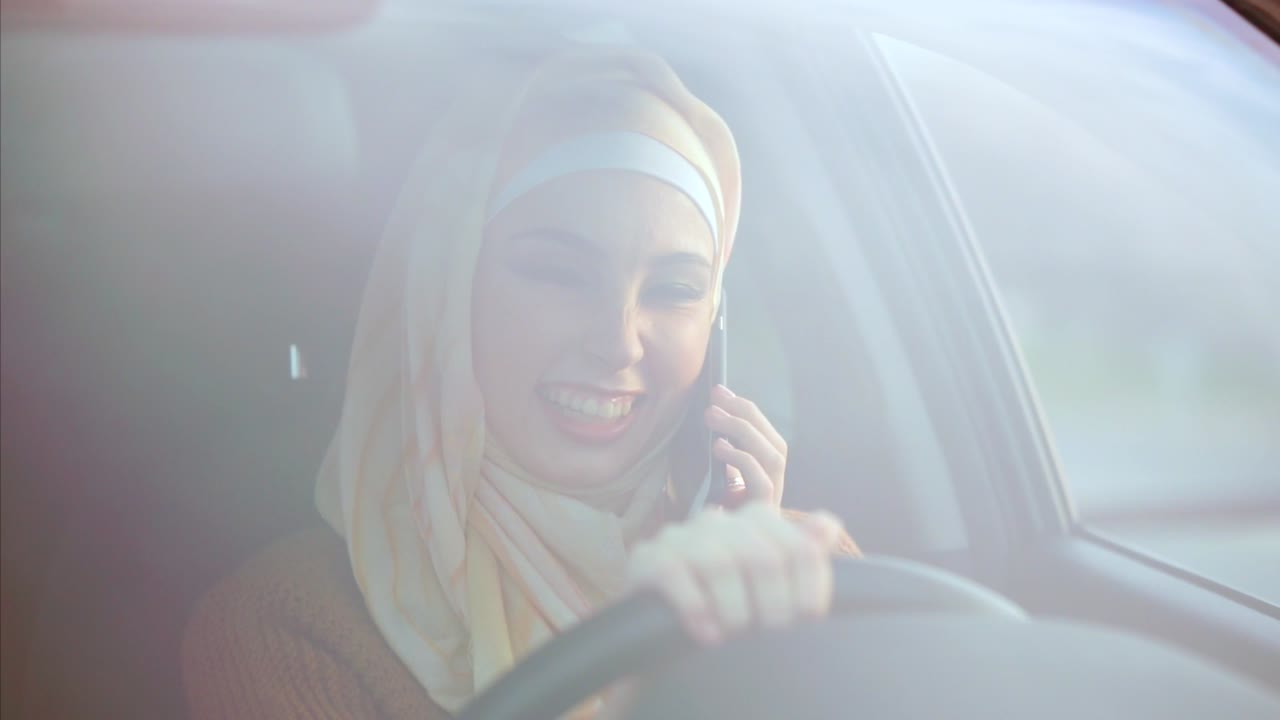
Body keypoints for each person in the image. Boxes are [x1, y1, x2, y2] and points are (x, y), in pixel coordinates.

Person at [182, 28, 858, 720]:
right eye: (559, 273)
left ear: (715, 324)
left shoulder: (813, 572)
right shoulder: (296, 627)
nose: (616, 343)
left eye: (675, 290)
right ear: (444, 297)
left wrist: (764, 641)